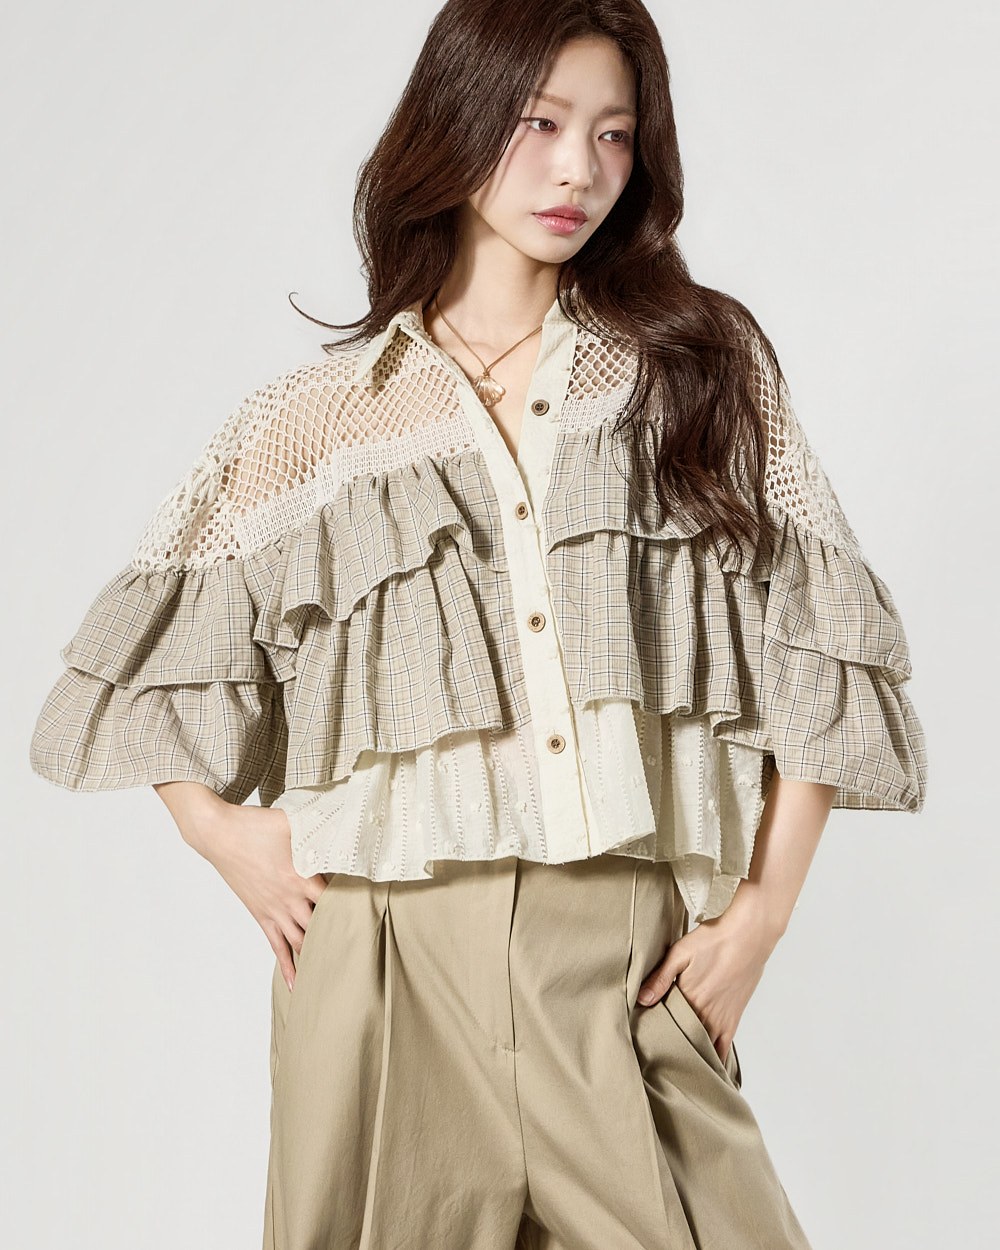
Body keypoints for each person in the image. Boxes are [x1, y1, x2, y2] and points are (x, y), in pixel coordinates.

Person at [28, 2, 928, 1247]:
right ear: (454, 120)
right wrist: (218, 830)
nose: (578, 171)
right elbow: (146, 664)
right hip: (381, 961)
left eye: (613, 134)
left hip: (623, 958)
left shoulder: (697, 370)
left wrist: (761, 916)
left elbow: (817, 641)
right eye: (539, 123)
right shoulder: (313, 422)